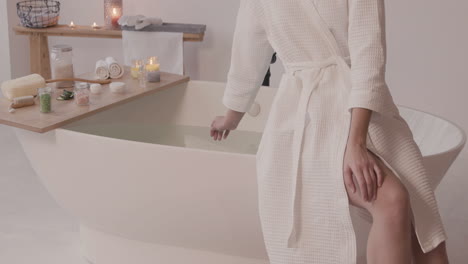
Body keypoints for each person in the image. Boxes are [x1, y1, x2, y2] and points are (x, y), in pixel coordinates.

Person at [210, 0, 449, 263]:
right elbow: (249, 52)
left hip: (366, 110)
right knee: (392, 200)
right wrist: (231, 117)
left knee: (426, 226)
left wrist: (355, 143)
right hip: (307, 119)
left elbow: (369, 57)